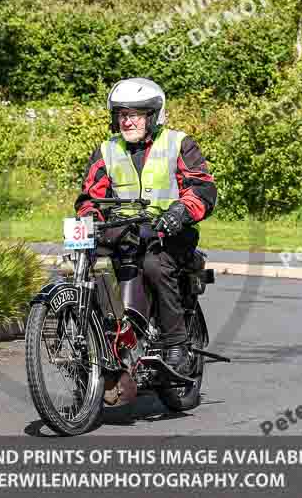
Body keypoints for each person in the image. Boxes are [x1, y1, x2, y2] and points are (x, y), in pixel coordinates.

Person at [74, 78, 217, 372]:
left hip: (169, 232)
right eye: (122, 115)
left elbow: (202, 189)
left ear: (152, 116)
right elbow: (90, 197)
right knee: (90, 264)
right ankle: (98, 339)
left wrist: (180, 213)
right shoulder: (106, 150)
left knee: (154, 265)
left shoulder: (178, 143)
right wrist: (89, 220)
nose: (127, 121)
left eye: (135, 114)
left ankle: (175, 343)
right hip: (124, 233)